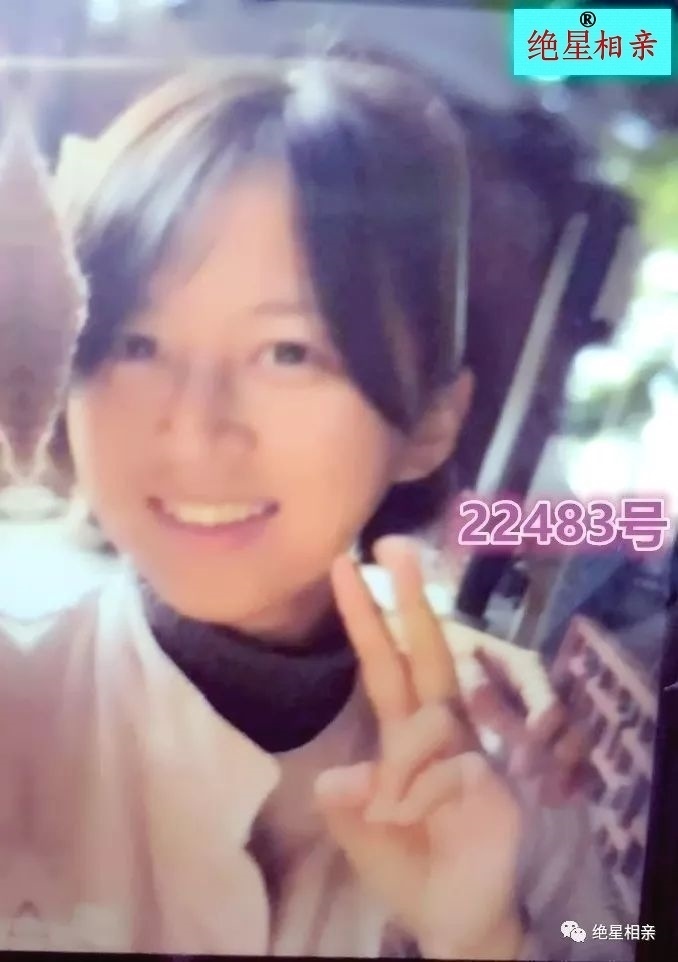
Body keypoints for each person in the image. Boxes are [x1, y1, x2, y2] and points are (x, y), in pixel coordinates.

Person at [23, 52, 630, 958]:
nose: (196, 431)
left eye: (288, 352)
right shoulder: (19, 710)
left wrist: (483, 939)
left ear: (429, 422)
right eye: (137, 343)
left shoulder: (510, 773)